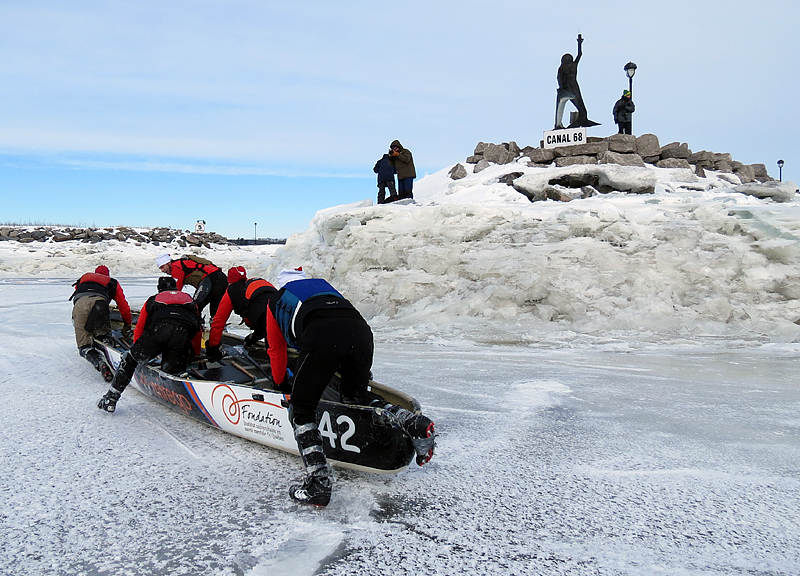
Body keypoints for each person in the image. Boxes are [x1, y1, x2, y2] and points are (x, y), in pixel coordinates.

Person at [266, 267, 375, 506]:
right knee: (354, 396)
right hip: (362, 333)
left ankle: (318, 483)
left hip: (322, 334)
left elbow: (277, 350)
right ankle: (409, 421)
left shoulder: (277, 299)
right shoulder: (323, 286)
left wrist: (281, 383)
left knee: (302, 409)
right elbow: (342, 323)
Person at [97, 276, 202, 413]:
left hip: (160, 330)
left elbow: (140, 328)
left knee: (130, 359)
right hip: (182, 333)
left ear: (159, 289)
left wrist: (136, 350)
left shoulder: (154, 300)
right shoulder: (189, 300)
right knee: (170, 370)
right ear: (176, 288)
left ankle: (111, 398)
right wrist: (196, 353)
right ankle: (175, 382)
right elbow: (198, 331)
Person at [70, 265, 132, 382]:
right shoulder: (111, 282)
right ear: (108, 275)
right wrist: (127, 324)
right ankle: (112, 360)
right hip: (100, 304)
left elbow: (78, 293)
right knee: (103, 339)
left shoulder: (85, 277)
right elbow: (123, 306)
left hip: (80, 305)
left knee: (84, 346)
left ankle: (99, 362)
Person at [205, 266, 277, 362]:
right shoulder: (256, 283)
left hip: (266, 322)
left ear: (229, 281)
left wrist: (212, 348)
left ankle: (278, 374)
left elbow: (218, 322)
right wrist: (254, 337)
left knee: (274, 357)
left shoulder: (231, 291)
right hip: (282, 314)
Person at [156, 253, 228, 318]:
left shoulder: (175, 267)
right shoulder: (181, 263)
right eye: (160, 268)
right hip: (221, 279)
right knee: (215, 308)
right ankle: (218, 327)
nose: (162, 270)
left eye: (162, 267)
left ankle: (197, 327)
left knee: (194, 306)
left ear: (168, 263)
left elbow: (176, 291)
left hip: (211, 280)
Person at [554, 34, 598, 129]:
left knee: (580, 107)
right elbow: (579, 54)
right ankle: (580, 119)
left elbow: (559, 79)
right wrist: (579, 43)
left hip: (569, 88)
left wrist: (562, 88)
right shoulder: (573, 65)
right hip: (573, 87)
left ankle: (579, 120)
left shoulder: (562, 68)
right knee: (581, 107)